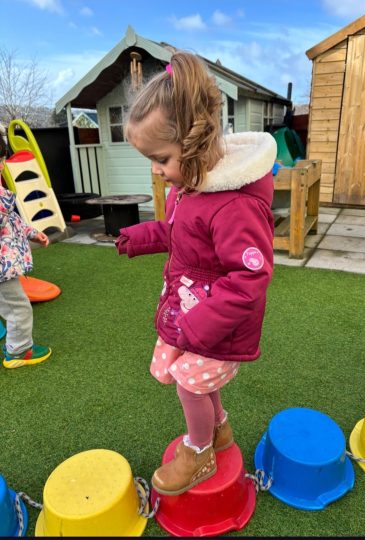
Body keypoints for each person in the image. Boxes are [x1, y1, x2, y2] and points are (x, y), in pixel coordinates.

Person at [116, 52, 276, 496]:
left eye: (161, 158)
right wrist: (140, 237)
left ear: (195, 142)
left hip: (217, 324)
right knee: (196, 382)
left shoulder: (234, 204)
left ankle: (200, 450)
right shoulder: (189, 188)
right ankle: (219, 429)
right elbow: (178, 233)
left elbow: (249, 278)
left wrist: (201, 323)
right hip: (192, 311)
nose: (155, 169)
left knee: (190, 384)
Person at [0, 127, 52, 369]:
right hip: (2, 272)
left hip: (6, 267)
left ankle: (13, 343)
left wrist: (33, 233)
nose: (2, 166)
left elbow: (13, 221)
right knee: (19, 309)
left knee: (10, 307)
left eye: (2, 160)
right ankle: (19, 351)